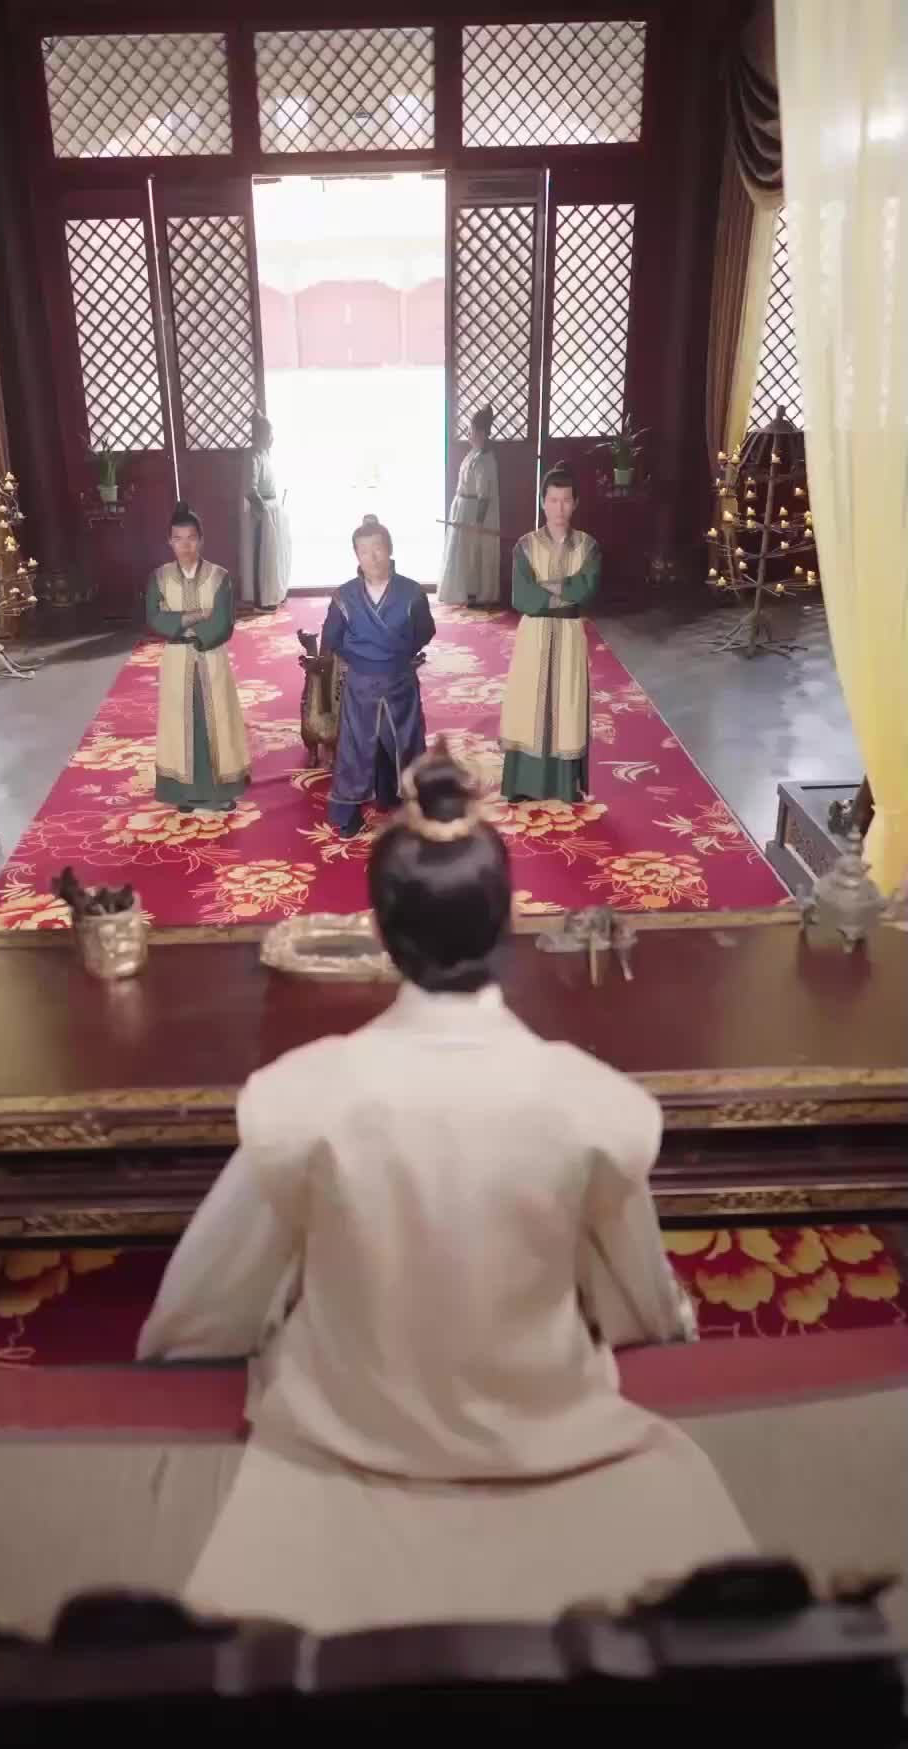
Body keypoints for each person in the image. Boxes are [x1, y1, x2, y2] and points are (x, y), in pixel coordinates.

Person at [138, 744, 754, 1635]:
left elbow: (215, 1290)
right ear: (504, 924)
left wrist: (179, 1355)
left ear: (382, 931)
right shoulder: (584, 1099)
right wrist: (662, 1335)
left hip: (345, 1428)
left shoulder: (309, 1094)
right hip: (547, 1421)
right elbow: (637, 1295)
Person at [321, 514, 436, 837]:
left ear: (389, 549)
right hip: (361, 683)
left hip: (400, 680)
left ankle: (413, 805)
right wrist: (360, 659)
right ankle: (348, 812)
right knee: (355, 746)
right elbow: (332, 638)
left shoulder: (411, 592)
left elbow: (425, 631)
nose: (372, 557)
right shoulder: (344, 596)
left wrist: (399, 655)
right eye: (364, 551)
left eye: (378, 548)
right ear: (356, 555)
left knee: (407, 742)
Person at [500, 464, 601, 803]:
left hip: (570, 634)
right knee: (528, 702)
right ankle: (522, 783)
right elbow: (522, 597)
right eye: (553, 500)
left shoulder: (588, 546)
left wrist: (545, 587)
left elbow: (587, 589)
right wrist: (565, 589)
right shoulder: (525, 546)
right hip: (534, 635)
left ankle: (564, 785)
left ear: (576, 503)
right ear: (543, 502)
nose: (559, 508)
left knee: (567, 704)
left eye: (566, 500)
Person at [146, 504, 249, 813]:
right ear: (169, 541)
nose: (185, 545)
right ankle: (184, 793)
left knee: (217, 720)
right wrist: (193, 616)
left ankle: (221, 791)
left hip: (211, 656)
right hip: (176, 661)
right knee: (179, 723)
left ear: (201, 539)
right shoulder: (159, 578)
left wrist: (181, 623)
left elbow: (222, 623)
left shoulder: (219, 577)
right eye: (178, 539)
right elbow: (154, 617)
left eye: (191, 538)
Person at [437, 402, 501, 607]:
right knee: (462, 553)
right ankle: (463, 592)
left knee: (472, 553)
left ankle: (474, 593)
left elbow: (484, 496)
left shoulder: (485, 459)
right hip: (462, 508)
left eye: (471, 431)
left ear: (481, 432)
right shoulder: (473, 454)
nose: (469, 435)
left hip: (472, 512)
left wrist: (479, 522)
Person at [239, 410, 292, 611]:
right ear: (261, 434)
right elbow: (250, 489)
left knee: (273, 558)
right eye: (270, 434)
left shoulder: (265, 455)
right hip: (263, 512)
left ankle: (273, 594)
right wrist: (262, 512)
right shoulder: (253, 455)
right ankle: (262, 601)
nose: (272, 438)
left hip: (272, 509)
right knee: (263, 559)